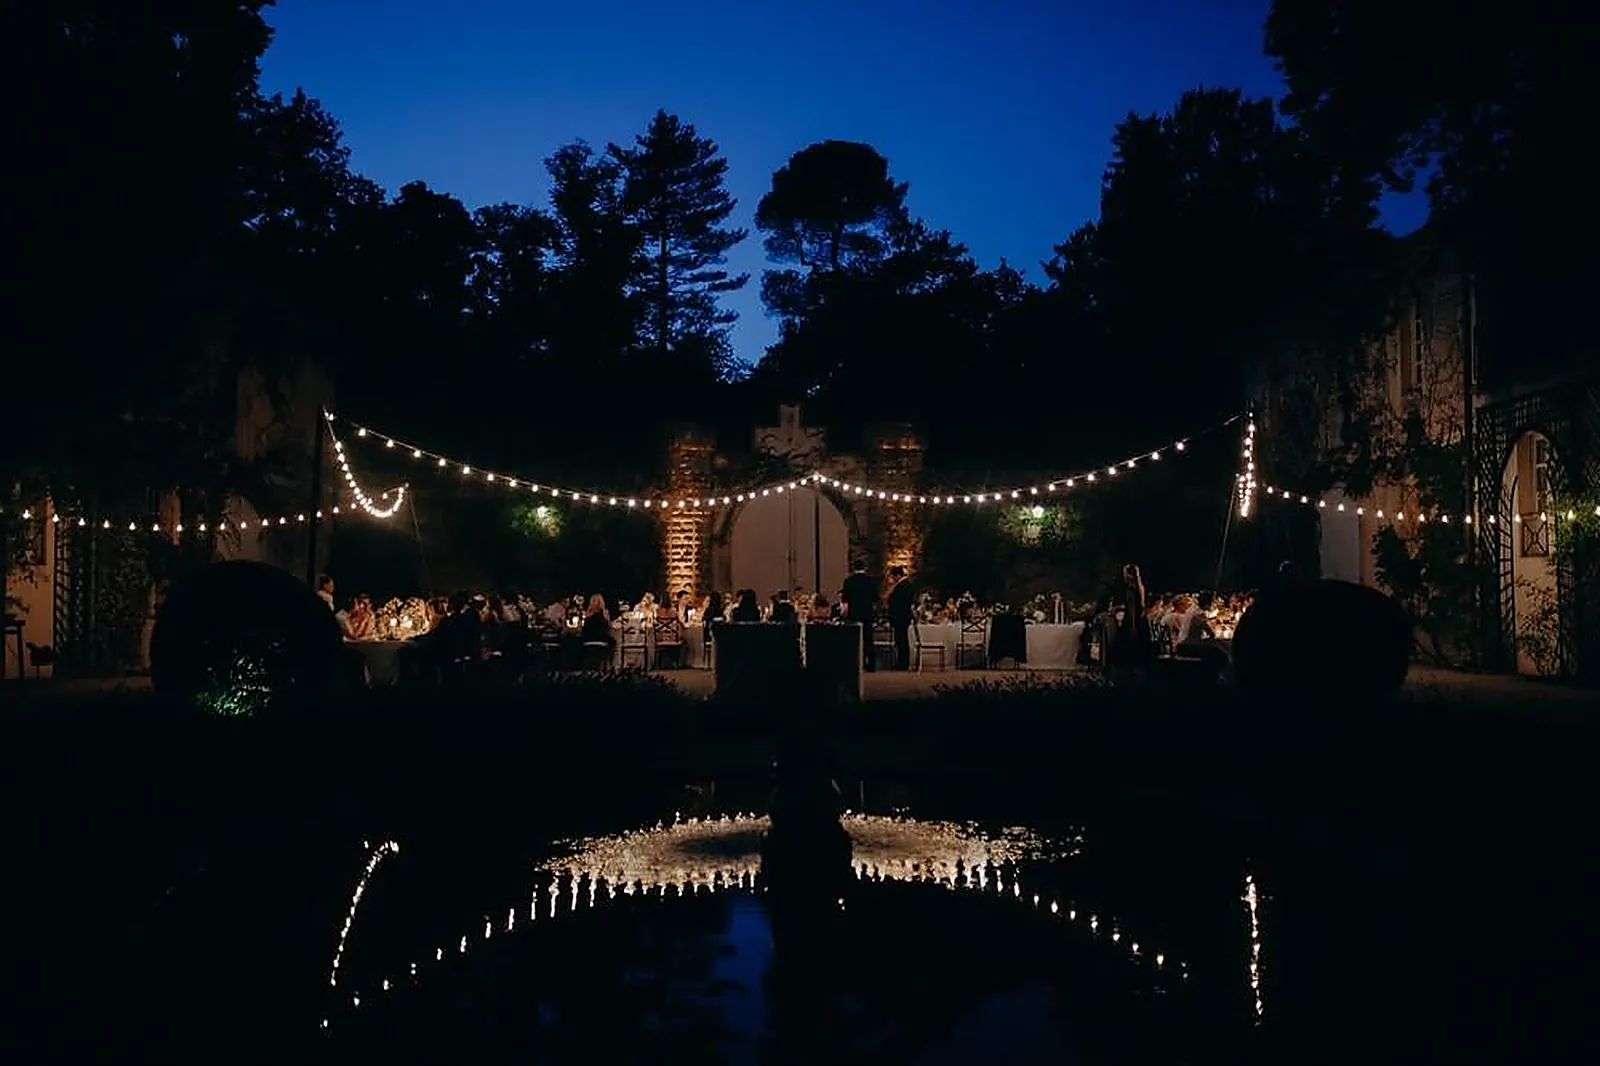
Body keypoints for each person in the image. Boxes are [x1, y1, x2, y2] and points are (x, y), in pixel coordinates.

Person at [840, 563, 881, 671]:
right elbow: (876, 598)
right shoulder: (871, 581)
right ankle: (871, 664)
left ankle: (856, 663)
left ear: (854, 569)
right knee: (868, 639)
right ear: (865, 568)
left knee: (854, 639)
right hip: (867, 613)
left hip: (854, 613)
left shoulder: (849, 581)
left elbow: (845, 598)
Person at [886, 566, 915, 670]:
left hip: (900, 616)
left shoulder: (901, 586)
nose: (892, 579)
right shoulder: (907, 585)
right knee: (902, 640)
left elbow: (893, 601)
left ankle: (902, 663)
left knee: (901, 640)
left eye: (893, 576)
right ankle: (902, 662)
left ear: (898, 575)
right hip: (904, 617)